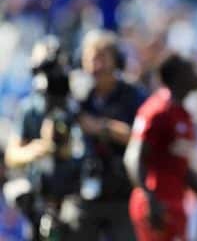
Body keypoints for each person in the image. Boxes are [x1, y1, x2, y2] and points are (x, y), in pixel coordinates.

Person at [65, 29, 147, 241]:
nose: (95, 66)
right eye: (89, 59)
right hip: (84, 190)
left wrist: (101, 127)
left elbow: (142, 137)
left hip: (122, 192)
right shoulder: (77, 96)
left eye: (102, 58)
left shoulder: (132, 94)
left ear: (116, 61)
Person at [124, 53, 197, 241]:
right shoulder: (157, 110)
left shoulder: (182, 114)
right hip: (158, 204)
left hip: (175, 202)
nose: (196, 74)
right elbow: (132, 158)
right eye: (190, 70)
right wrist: (150, 199)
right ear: (178, 77)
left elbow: (180, 167)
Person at [4, 36, 81, 240]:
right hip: (39, 193)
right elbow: (12, 155)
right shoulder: (29, 109)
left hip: (73, 194)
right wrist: (38, 149)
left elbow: (81, 149)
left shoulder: (76, 107)